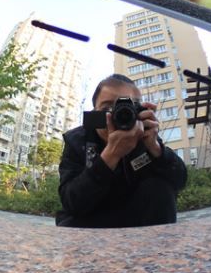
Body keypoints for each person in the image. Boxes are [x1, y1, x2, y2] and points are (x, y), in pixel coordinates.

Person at [56, 74, 187, 228]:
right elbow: (71, 203)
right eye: (107, 108)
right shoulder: (77, 140)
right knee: (68, 224)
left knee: (160, 186)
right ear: (94, 113)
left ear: (139, 111)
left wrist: (156, 149)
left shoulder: (145, 135)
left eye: (129, 107)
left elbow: (179, 181)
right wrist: (111, 155)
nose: (118, 115)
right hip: (91, 219)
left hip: (136, 218)